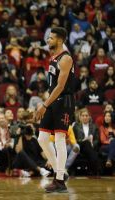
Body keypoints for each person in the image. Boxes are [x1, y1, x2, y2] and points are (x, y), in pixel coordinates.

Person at [35, 27, 75, 193]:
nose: (48, 40)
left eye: (51, 38)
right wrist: (46, 102)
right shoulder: (53, 57)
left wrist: (44, 105)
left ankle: (59, 181)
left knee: (59, 139)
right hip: (53, 101)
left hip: (64, 102)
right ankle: (61, 171)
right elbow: (52, 86)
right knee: (42, 138)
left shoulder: (66, 58)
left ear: (60, 40)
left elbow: (60, 86)